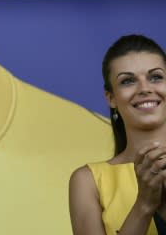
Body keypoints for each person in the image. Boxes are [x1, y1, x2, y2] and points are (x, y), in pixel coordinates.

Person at [69, 35, 166, 235]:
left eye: (155, 77)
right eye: (128, 81)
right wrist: (144, 206)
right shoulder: (88, 181)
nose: (145, 89)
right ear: (111, 98)